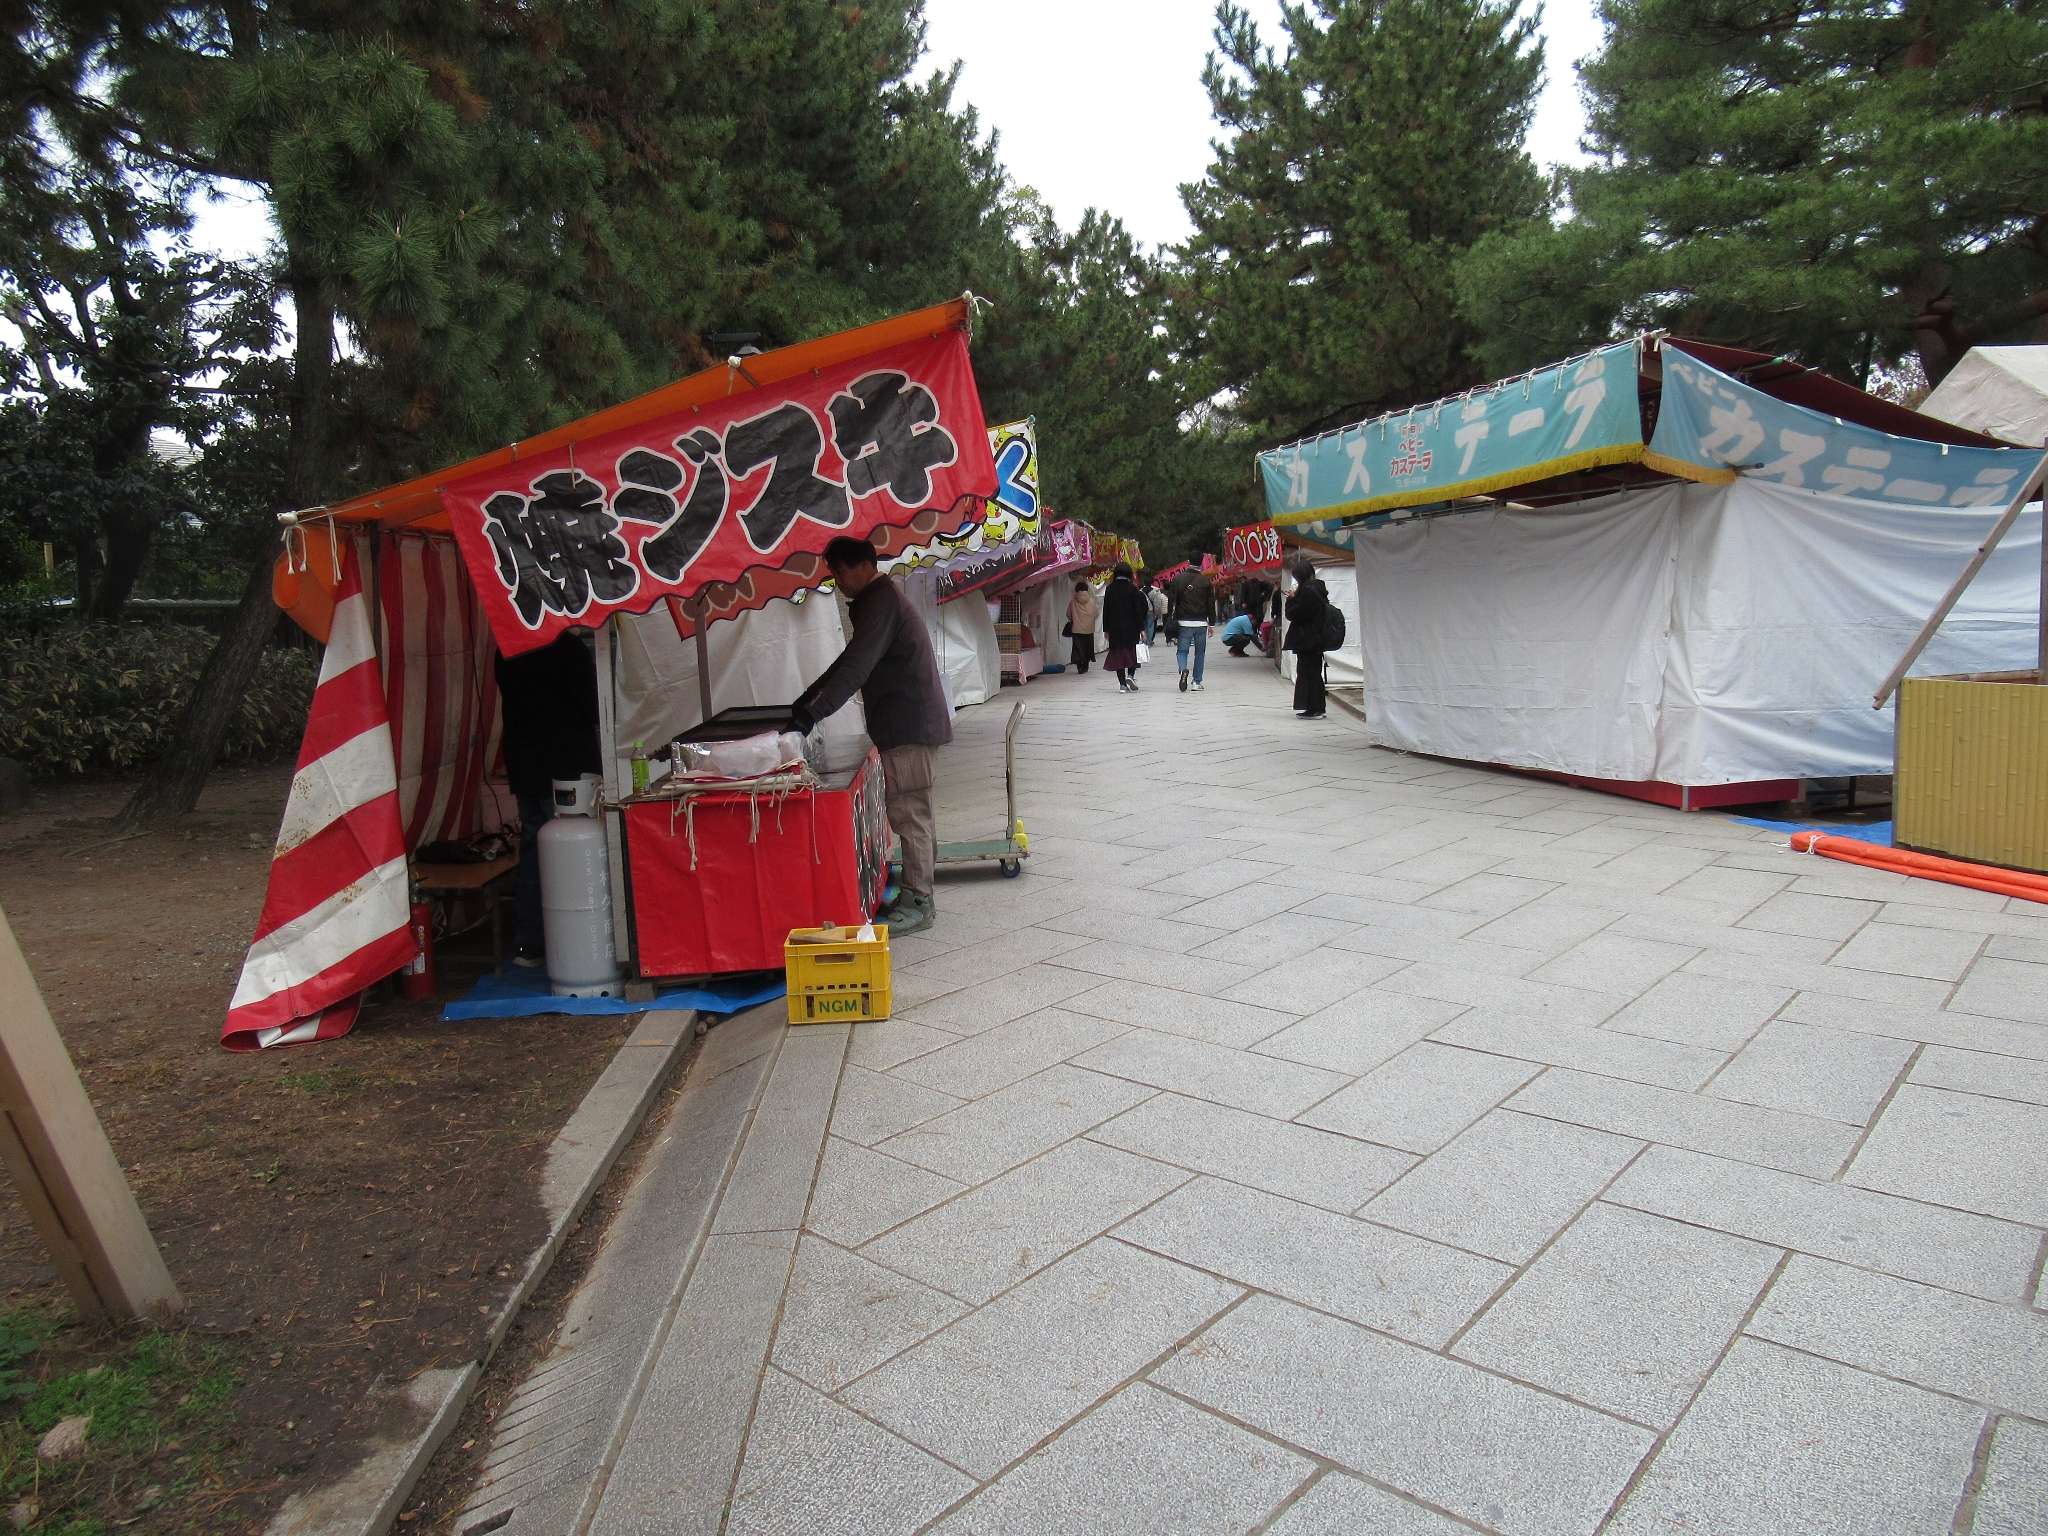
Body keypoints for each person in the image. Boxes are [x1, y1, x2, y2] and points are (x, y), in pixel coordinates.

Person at [790, 536, 952, 936]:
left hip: (907, 724)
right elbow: (849, 662)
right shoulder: (878, 602)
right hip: (909, 721)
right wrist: (805, 703)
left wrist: (812, 713)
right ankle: (919, 890)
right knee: (915, 809)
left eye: (839, 572)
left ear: (862, 565)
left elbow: (856, 667)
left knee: (909, 811)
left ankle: (919, 900)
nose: (838, 581)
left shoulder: (880, 601)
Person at [495, 630, 603, 967]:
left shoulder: (506, 647)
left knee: (534, 849)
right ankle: (579, 943)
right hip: (567, 764)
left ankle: (530, 943)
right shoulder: (568, 648)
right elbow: (591, 707)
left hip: (525, 764)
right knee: (575, 852)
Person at [1284, 556, 1329, 720]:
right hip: (1316, 637)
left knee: (1307, 673)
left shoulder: (1308, 591)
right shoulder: (1318, 589)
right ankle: (1317, 707)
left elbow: (1293, 613)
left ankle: (1313, 708)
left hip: (1307, 638)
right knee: (1314, 673)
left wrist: (1290, 599)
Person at [1166, 549, 1215, 692]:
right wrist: (1211, 623)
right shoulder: (1206, 581)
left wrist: (1171, 617)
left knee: (1182, 651)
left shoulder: (1177, 579)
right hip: (1200, 622)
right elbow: (1210, 604)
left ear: (1188, 562)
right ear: (1201, 562)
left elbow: (1171, 601)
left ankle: (1183, 670)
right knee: (1200, 653)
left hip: (1183, 622)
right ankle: (1196, 682)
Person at [1100, 561, 1147, 692]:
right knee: (1132, 652)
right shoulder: (1133, 589)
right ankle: (1131, 676)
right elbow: (1137, 611)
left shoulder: (1109, 589)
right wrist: (1142, 629)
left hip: (1115, 628)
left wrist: (1106, 629)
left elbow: (1106, 610)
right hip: (1131, 627)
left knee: (1118, 655)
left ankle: (1122, 685)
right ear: (1129, 574)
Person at [1066, 577, 1099, 673]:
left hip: (1076, 629)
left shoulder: (1073, 601)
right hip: (1089, 629)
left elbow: (1068, 614)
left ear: (1076, 590)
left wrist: (1074, 620)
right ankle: (1085, 665)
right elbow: (1096, 614)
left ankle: (1079, 665)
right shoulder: (1091, 601)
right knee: (1087, 648)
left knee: (1077, 648)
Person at [1146, 579, 1168, 645]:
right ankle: (1149, 641)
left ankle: (1145, 640)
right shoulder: (1155, 591)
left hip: (1143, 611)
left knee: (1145, 626)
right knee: (1151, 626)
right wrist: (1157, 613)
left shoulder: (1140, 590)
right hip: (1151, 611)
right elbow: (1157, 604)